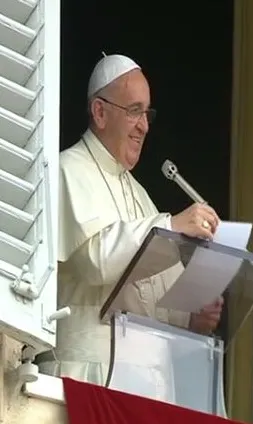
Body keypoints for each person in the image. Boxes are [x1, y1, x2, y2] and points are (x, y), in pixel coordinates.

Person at [37, 54, 224, 391]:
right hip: (89, 375)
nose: (144, 126)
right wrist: (171, 227)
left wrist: (193, 316)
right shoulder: (68, 169)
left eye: (147, 113)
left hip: (148, 383)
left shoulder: (140, 197)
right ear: (100, 112)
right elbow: (96, 261)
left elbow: (154, 294)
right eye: (134, 111)